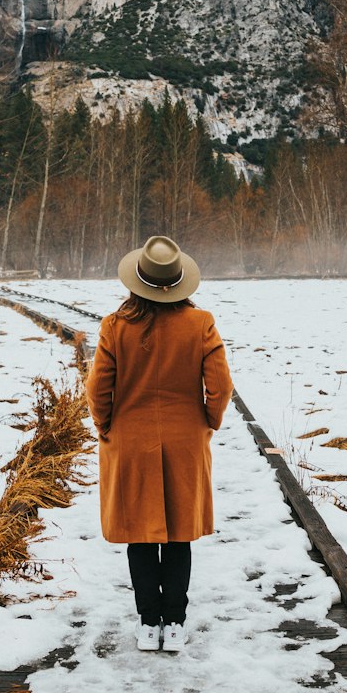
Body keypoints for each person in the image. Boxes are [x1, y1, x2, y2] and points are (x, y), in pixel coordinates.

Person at [85, 234, 234, 654]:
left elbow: (98, 388)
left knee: (140, 535)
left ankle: (149, 624)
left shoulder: (115, 326)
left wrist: (104, 426)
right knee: (178, 534)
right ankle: (176, 624)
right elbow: (220, 387)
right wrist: (207, 421)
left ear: (137, 281)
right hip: (186, 441)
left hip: (129, 441)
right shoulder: (200, 322)